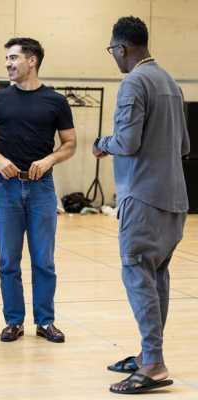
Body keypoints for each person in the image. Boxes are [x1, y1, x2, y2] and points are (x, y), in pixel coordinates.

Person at [93, 16, 190, 394]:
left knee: (137, 274)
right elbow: (183, 146)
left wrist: (103, 142)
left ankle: (153, 364)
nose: (113, 57)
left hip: (144, 198)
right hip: (175, 199)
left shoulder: (134, 82)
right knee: (156, 278)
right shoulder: (170, 82)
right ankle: (149, 353)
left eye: (113, 51)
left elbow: (127, 141)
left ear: (123, 48)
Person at [0, 37, 76, 343]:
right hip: (5, 188)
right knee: (8, 260)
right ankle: (14, 321)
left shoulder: (56, 101)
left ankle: (45, 321)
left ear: (31, 60)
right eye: (6, 58)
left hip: (41, 189)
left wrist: (49, 159)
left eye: (13, 58)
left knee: (43, 260)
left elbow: (70, 143)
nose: (7, 64)